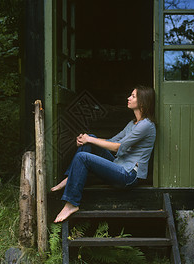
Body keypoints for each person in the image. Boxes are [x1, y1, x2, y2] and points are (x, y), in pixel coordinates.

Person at [52, 85, 156, 223]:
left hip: (128, 175)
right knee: (91, 139)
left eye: (133, 96)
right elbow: (111, 141)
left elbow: (117, 148)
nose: (128, 98)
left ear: (142, 102)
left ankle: (71, 204)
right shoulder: (133, 123)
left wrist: (90, 139)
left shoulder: (146, 125)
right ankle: (71, 178)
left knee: (83, 156)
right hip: (118, 167)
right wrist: (86, 139)